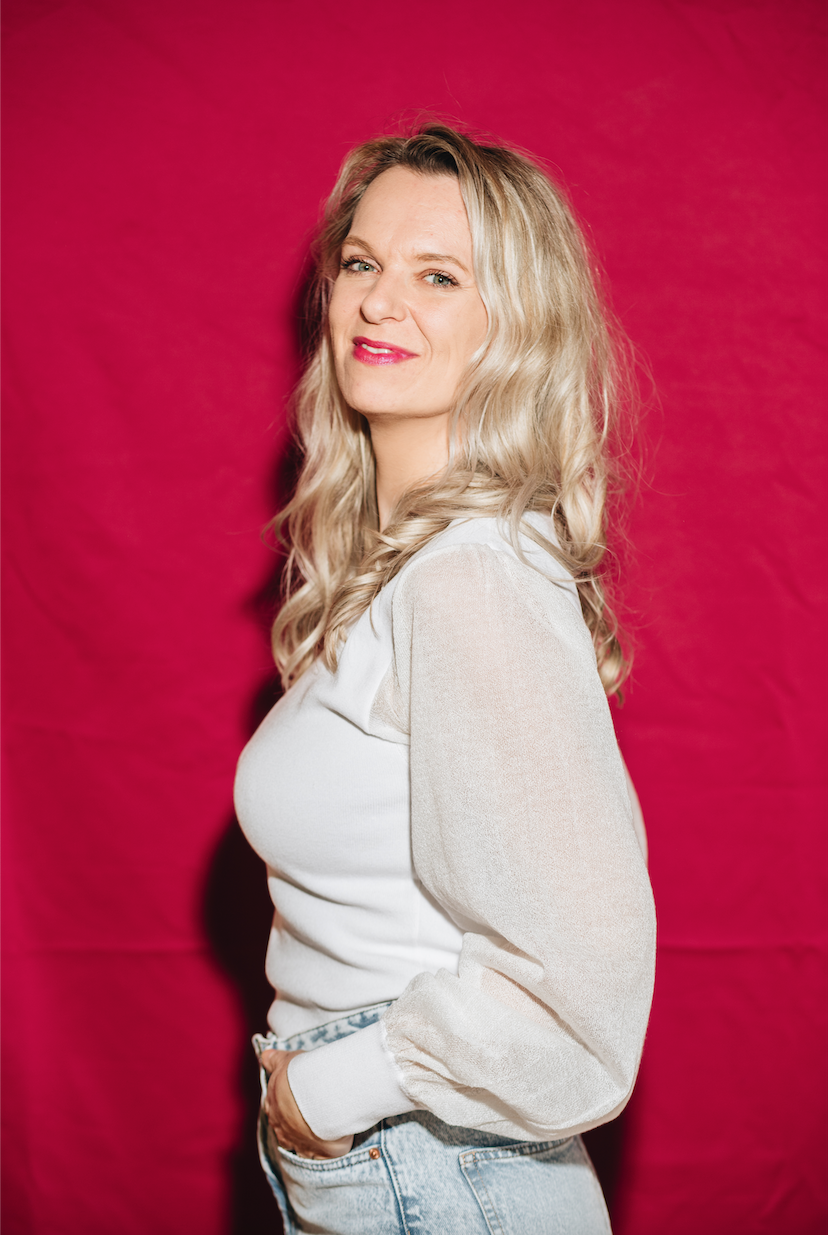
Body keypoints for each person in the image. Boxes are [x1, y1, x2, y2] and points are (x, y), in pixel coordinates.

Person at [234, 122, 656, 1235]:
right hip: (402, 1165)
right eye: (361, 262)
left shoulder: (473, 577)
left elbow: (586, 981)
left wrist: (330, 1091)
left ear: (513, 326)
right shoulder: (408, 571)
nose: (378, 302)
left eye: (438, 276)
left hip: (436, 1170)